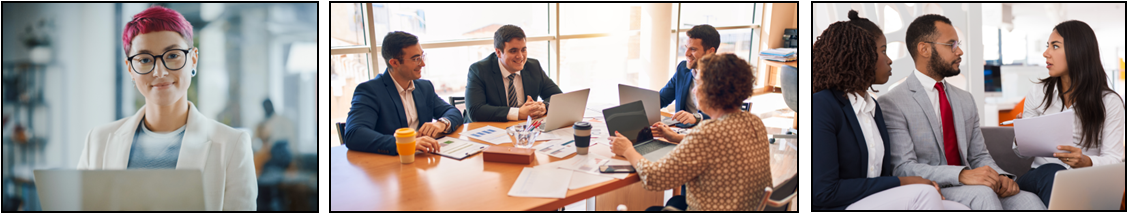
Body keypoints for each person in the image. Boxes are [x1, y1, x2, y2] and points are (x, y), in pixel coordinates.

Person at [77, 6, 255, 210]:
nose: (159, 72)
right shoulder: (98, 141)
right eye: (144, 60)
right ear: (130, 69)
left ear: (193, 59)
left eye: (172, 56)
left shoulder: (232, 145)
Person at [877, 14, 1044, 210]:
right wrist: (961, 174)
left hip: (974, 185)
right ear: (924, 49)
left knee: (1029, 200)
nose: (960, 51)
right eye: (952, 45)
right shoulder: (892, 102)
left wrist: (1000, 176)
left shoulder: (965, 99)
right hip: (933, 188)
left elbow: (979, 155)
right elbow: (903, 167)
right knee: (983, 195)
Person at [812, 10, 967, 210]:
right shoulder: (821, 105)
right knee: (924, 193)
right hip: (840, 206)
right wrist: (904, 182)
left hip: (873, 200)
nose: (889, 60)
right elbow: (824, 192)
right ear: (861, 54)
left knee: (959, 208)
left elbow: (880, 176)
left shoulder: (872, 106)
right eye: (883, 50)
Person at [610, 53, 767, 211]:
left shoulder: (707, 134)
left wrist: (628, 149)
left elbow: (654, 178)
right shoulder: (754, 121)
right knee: (677, 201)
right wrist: (676, 137)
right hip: (742, 206)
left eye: (698, 84)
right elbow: (719, 149)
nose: (694, 91)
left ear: (713, 90)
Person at [1012, 20, 1125, 207]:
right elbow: (1022, 154)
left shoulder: (1109, 102)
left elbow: (1113, 159)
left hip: (1083, 180)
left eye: (1055, 46)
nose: (1046, 53)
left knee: (1071, 185)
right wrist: (1021, 136)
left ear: (1078, 51)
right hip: (1039, 177)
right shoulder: (1037, 92)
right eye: (1048, 46)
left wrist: (1085, 161)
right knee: (1053, 172)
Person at [343, 31, 463, 155]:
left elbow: (453, 112)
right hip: (390, 165)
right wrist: (405, 144)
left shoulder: (424, 87)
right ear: (394, 63)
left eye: (422, 56)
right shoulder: (370, 91)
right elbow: (354, 134)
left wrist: (442, 123)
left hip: (424, 159)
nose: (422, 64)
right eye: (416, 59)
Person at [465, 24, 561, 122]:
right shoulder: (479, 70)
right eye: (513, 51)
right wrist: (518, 113)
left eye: (523, 50)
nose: (520, 56)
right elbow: (475, 111)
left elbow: (558, 97)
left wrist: (544, 107)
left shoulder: (533, 66)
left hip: (524, 130)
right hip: (488, 130)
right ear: (498, 52)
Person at [658, 24, 716, 127]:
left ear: (710, 52)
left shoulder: (724, 75)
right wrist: (636, 107)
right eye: (686, 48)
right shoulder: (683, 69)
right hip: (682, 131)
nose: (686, 53)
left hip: (709, 134)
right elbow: (662, 98)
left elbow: (727, 114)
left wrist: (696, 117)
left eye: (693, 49)